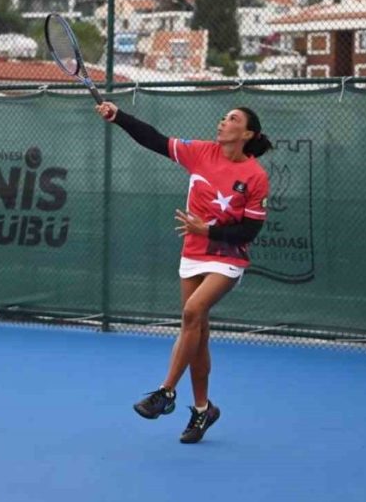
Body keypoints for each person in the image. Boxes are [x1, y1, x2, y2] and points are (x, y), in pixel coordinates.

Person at [95, 100, 273, 444]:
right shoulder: (200, 152)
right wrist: (118, 117)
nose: (223, 122)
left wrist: (209, 231)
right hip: (192, 253)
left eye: (232, 119)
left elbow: (249, 233)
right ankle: (204, 409)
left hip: (227, 257)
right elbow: (154, 139)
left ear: (247, 134)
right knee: (198, 331)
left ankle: (165, 392)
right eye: (223, 116)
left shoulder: (255, 176)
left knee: (192, 312)